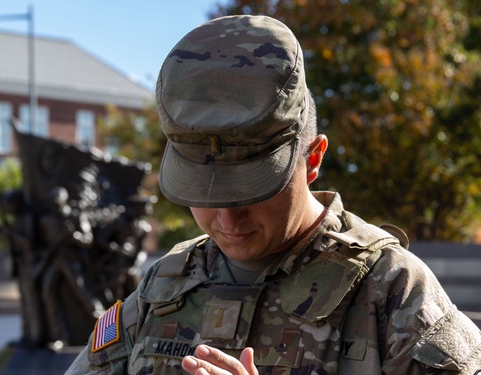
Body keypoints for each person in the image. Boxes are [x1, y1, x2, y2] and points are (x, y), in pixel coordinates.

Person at [64, 15, 481, 375]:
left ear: (313, 159)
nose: (227, 220)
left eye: (250, 189)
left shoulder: (391, 288)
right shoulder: (166, 284)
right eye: (204, 193)